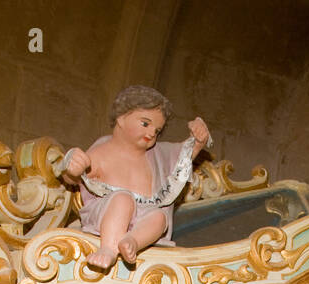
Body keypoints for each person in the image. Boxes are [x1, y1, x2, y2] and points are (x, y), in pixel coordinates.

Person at [59, 86, 211, 271]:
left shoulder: (157, 154)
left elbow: (184, 155)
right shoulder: (103, 151)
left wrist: (198, 139)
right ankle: (109, 248)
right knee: (123, 199)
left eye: (157, 131)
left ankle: (132, 241)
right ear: (121, 118)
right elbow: (74, 178)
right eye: (145, 124)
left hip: (143, 218)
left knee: (159, 217)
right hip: (109, 211)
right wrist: (72, 168)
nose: (151, 133)